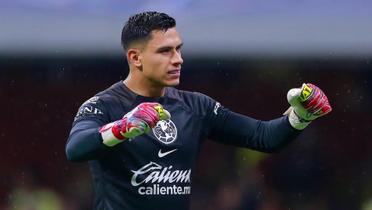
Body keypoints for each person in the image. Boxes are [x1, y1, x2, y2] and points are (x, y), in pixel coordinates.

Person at [65, 11, 332, 210]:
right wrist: (122, 127)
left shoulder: (196, 106)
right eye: (165, 51)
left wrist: (300, 116)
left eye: (179, 49)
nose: (178, 59)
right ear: (135, 58)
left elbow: (264, 137)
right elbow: (76, 148)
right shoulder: (105, 104)